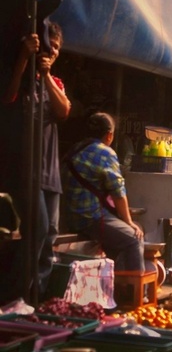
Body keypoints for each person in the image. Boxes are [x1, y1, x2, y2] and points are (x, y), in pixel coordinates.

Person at [3, 22, 71, 296]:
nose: (51, 50)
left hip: (50, 174)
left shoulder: (54, 82)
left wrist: (46, 75)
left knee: (49, 236)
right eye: (48, 45)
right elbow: (7, 96)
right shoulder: (22, 75)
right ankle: (15, 296)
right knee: (38, 230)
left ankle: (37, 298)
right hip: (25, 171)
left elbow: (64, 110)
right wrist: (23, 59)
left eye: (56, 47)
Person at [65, 112, 144, 272]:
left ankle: (115, 285)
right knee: (134, 238)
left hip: (71, 218)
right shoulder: (105, 153)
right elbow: (118, 192)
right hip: (91, 219)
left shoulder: (75, 149)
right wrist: (128, 221)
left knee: (123, 235)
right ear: (109, 135)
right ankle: (134, 294)